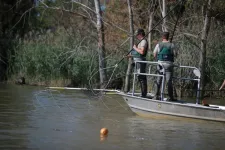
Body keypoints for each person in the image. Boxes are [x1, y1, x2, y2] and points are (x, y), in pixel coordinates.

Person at [153, 32, 176, 101]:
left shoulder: (158, 44)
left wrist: (158, 59)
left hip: (160, 64)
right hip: (169, 65)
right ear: (168, 37)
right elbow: (175, 54)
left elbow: (154, 54)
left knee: (158, 80)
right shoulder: (172, 45)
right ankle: (170, 97)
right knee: (169, 81)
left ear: (162, 37)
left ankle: (156, 95)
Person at [130, 29, 148, 97]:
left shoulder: (143, 41)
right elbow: (138, 53)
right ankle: (143, 93)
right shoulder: (140, 42)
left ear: (140, 34)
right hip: (137, 61)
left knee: (142, 78)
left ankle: (144, 94)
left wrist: (135, 48)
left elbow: (142, 52)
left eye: (137, 34)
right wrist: (130, 56)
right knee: (139, 77)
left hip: (141, 62)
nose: (136, 36)